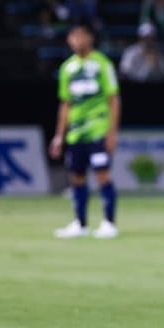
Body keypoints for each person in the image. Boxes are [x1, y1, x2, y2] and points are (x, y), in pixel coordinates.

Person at [48, 25, 121, 239]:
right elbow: (65, 104)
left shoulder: (102, 64)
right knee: (77, 177)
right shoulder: (67, 68)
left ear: (90, 38)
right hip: (76, 133)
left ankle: (109, 223)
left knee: (102, 175)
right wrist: (59, 135)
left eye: (81, 36)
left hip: (98, 129)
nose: (77, 40)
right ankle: (80, 224)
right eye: (73, 36)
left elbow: (113, 98)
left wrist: (112, 132)